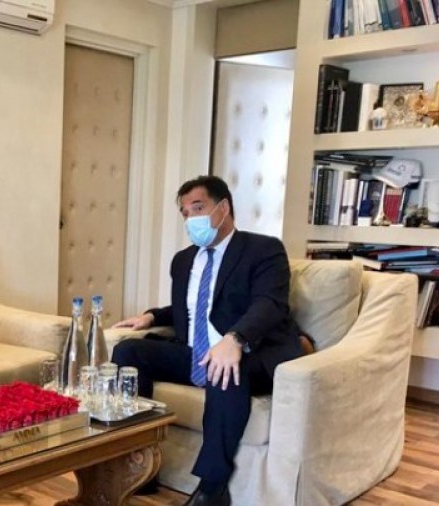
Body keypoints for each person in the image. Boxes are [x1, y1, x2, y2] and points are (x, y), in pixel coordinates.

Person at [112, 175, 305, 506]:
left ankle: (213, 489)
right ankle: (139, 465)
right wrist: (152, 317)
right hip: (196, 353)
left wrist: (235, 338)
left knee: (224, 366)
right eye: (185, 213)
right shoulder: (184, 260)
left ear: (223, 207)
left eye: (198, 208)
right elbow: (191, 307)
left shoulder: (263, 249)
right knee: (128, 351)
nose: (191, 218)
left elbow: (270, 303)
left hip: (250, 352)